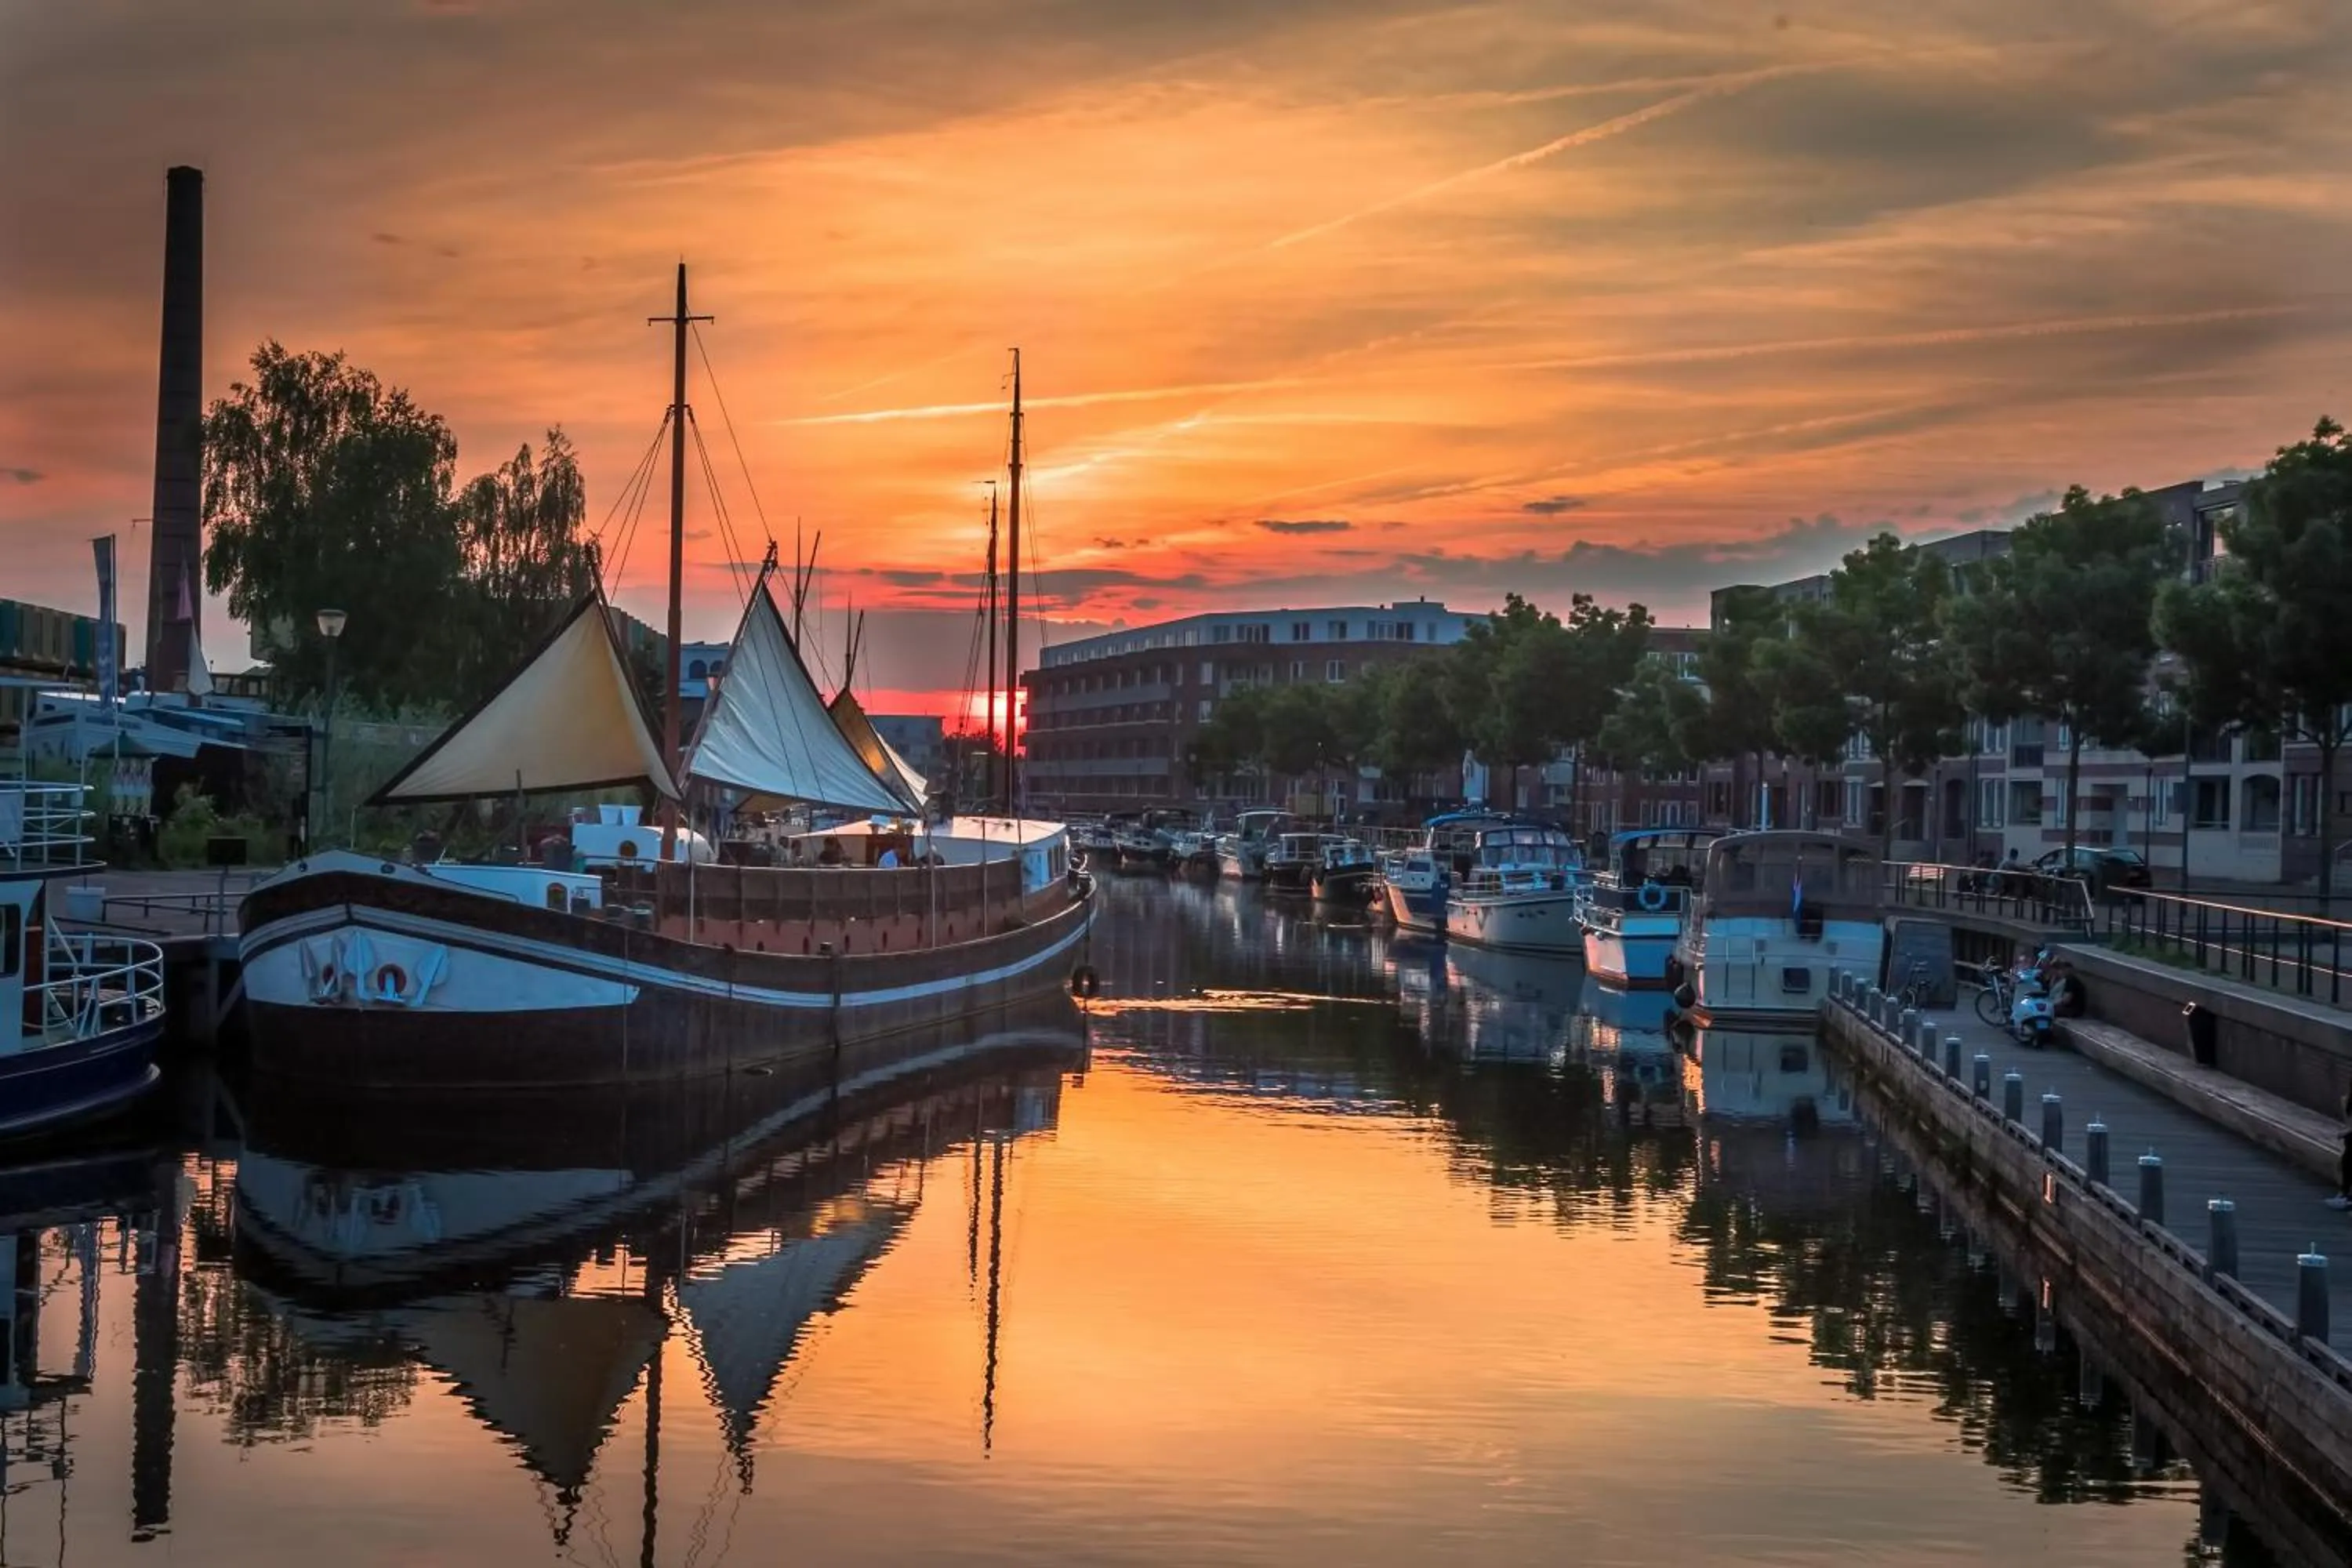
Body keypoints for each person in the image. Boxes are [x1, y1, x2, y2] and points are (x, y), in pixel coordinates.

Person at [2328, 1080, 2352, 1210]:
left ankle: (2345, 1194)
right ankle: (2345, 1194)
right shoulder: (2346, 1100)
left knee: (2347, 1160)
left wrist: (2345, 1132)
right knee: (2345, 1160)